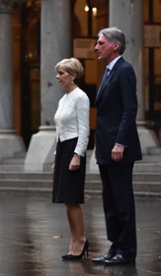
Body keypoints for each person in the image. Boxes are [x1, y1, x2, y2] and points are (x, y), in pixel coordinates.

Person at [92, 27, 142, 265]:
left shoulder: (124, 70)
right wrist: (98, 144)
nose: (96, 47)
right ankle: (115, 245)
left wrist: (120, 142)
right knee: (109, 200)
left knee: (122, 200)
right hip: (105, 146)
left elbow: (129, 109)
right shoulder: (108, 72)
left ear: (115, 46)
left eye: (101, 43)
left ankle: (127, 250)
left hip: (119, 147)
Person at [52, 58, 90, 260]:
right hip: (63, 148)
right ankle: (74, 240)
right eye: (57, 73)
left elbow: (84, 130)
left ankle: (81, 240)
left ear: (73, 75)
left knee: (72, 199)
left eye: (62, 73)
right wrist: (56, 157)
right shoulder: (63, 99)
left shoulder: (80, 97)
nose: (58, 77)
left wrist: (78, 155)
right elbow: (59, 130)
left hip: (74, 149)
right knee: (66, 200)